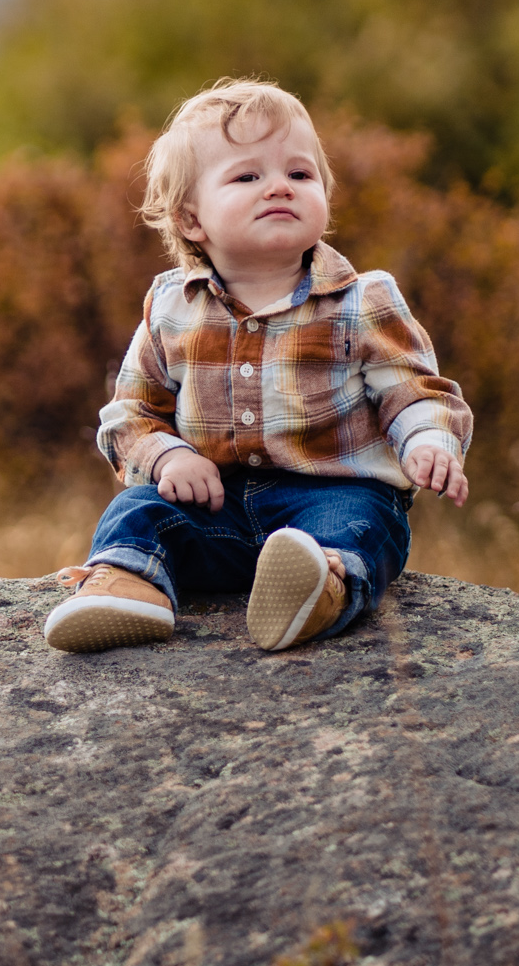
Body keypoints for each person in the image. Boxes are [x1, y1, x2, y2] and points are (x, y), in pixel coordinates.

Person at [44, 79, 471, 654]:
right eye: (248, 177)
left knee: (365, 521)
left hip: (330, 495)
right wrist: (166, 454)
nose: (280, 187)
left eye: (300, 174)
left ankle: (318, 587)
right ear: (191, 220)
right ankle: (130, 585)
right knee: (138, 509)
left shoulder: (361, 301)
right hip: (213, 507)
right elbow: (131, 412)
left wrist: (427, 443)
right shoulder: (173, 307)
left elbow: (414, 389)